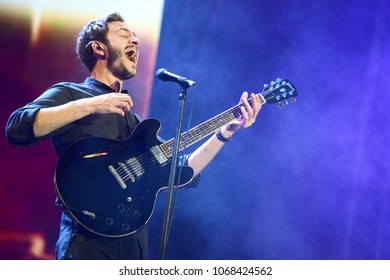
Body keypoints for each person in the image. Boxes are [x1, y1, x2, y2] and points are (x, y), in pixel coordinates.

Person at [5, 12, 261, 260]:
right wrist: (90, 105)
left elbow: (181, 172)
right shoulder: (72, 94)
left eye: (136, 36)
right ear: (99, 48)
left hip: (132, 246)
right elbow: (17, 127)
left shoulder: (137, 126)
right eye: (124, 34)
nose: (135, 41)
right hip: (86, 245)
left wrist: (225, 132)